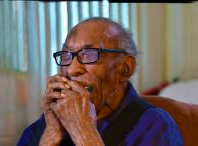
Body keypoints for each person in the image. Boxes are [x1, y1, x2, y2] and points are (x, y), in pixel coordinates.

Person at [17, 17, 184, 146]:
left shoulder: (155, 125)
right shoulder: (42, 127)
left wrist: (84, 132)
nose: (72, 69)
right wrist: (51, 135)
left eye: (89, 54)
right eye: (66, 56)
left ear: (125, 68)